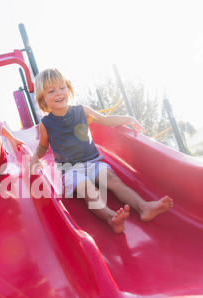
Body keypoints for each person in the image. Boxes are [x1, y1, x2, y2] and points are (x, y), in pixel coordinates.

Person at [30, 68, 173, 234]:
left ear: (68, 89)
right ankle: (110, 218)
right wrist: (35, 157)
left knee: (113, 180)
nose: (59, 93)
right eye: (51, 91)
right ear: (43, 98)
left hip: (93, 162)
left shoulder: (81, 111)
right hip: (70, 169)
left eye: (62, 88)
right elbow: (42, 146)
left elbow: (105, 120)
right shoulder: (46, 124)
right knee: (87, 188)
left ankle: (143, 207)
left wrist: (128, 118)